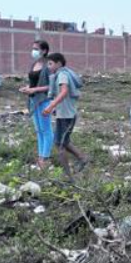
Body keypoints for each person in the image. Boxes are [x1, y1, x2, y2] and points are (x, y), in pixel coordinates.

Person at [42, 53, 89, 181]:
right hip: (64, 114)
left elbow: (64, 92)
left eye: (50, 63)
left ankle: (68, 177)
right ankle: (82, 158)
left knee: (60, 145)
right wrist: (56, 108)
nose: (49, 66)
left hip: (67, 116)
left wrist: (51, 106)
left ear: (58, 63)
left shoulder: (62, 74)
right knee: (62, 142)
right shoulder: (60, 75)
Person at [19, 40, 53, 168]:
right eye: (33, 48)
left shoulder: (49, 65)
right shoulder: (34, 64)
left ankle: (45, 158)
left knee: (46, 129)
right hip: (33, 100)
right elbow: (34, 82)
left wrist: (34, 90)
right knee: (39, 130)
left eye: (36, 49)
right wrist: (27, 88)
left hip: (44, 100)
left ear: (44, 51)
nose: (33, 51)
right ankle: (40, 157)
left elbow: (51, 86)